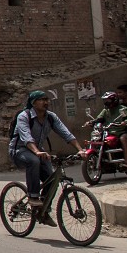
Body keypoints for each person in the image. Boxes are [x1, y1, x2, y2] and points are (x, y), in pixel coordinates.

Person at [11, 90, 81, 219]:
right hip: (20, 150)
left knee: (52, 180)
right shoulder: (24, 116)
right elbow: (26, 137)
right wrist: (37, 151)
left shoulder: (51, 117)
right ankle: (33, 196)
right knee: (34, 161)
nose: (46, 102)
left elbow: (65, 133)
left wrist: (80, 150)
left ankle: (43, 211)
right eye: (42, 100)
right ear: (33, 103)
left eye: (46, 99)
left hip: (38, 150)